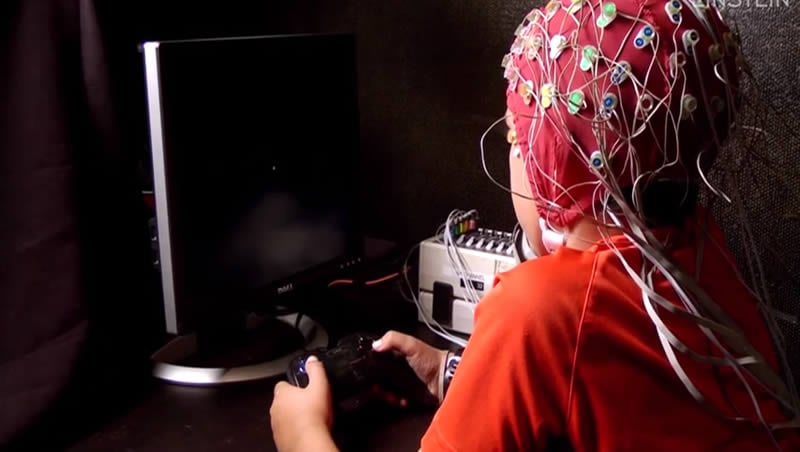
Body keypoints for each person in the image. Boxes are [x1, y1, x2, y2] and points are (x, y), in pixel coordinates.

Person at [270, 0, 800, 450]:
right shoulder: (703, 253)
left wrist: (304, 436)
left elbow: (567, 347)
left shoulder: (538, 311)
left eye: (515, 141)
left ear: (554, 162)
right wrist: (456, 375)